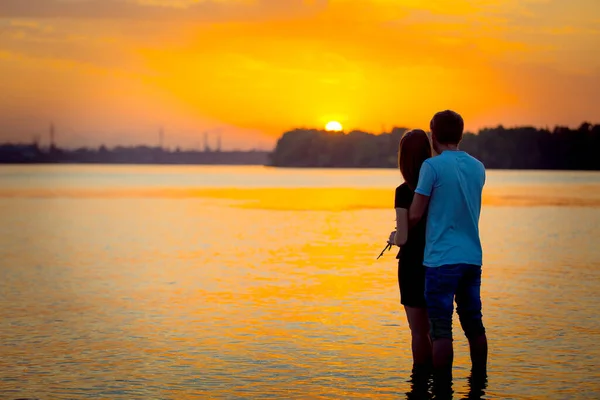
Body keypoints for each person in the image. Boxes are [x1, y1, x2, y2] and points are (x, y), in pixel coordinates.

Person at [408, 110, 488, 380]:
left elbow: (416, 213)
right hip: (472, 258)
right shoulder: (478, 167)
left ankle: (442, 389)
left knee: (441, 328)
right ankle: (480, 381)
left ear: (433, 135)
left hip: (441, 260)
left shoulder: (432, 167)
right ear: (461, 135)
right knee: (474, 325)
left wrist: (400, 227)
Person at [387, 129, 433, 373]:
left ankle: (420, 382)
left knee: (418, 332)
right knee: (439, 330)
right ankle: (441, 383)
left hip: (413, 265)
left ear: (403, 158)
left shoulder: (403, 191)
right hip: (439, 261)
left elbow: (403, 237)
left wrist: (394, 238)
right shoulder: (439, 188)